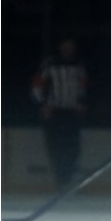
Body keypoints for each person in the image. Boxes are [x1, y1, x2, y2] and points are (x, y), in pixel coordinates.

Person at [31, 39, 89, 190]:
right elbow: (37, 85)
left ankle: (67, 179)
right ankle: (61, 180)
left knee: (73, 147)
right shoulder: (50, 64)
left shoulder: (78, 65)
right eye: (65, 45)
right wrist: (43, 105)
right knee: (56, 147)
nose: (68, 48)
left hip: (72, 112)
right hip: (54, 111)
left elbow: (82, 86)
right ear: (60, 47)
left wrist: (81, 102)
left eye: (70, 45)